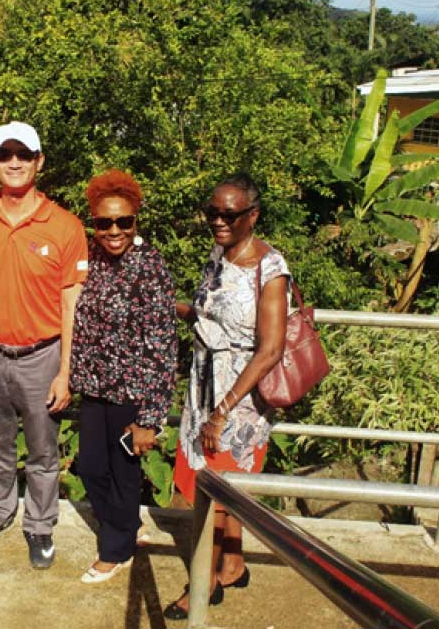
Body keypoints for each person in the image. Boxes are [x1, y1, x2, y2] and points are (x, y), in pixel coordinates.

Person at [0, 121, 88, 569]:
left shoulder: (66, 226)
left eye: (24, 154)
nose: (15, 162)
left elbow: (71, 301)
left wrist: (65, 370)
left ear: (39, 161)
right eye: (5, 154)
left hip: (42, 356)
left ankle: (39, 524)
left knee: (42, 450)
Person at [165, 174, 290, 620]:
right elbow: (209, 313)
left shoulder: (270, 268)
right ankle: (233, 564)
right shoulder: (219, 255)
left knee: (214, 490)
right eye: (212, 212)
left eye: (229, 214)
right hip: (205, 384)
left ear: (252, 215)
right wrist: (174, 307)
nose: (218, 220)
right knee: (223, 487)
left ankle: (206, 580)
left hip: (239, 397)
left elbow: (271, 348)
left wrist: (222, 411)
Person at [70, 169, 177, 583]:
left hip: (133, 393)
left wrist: (150, 417)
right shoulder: (90, 260)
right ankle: (129, 527)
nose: (114, 230)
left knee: (123, 473)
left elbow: (163, 345)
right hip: (95, 389)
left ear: (136, 221)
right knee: (93, 469)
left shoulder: (150, 267)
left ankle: (115, 551)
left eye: (123, 222)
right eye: (104, 222)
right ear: (93, 222)